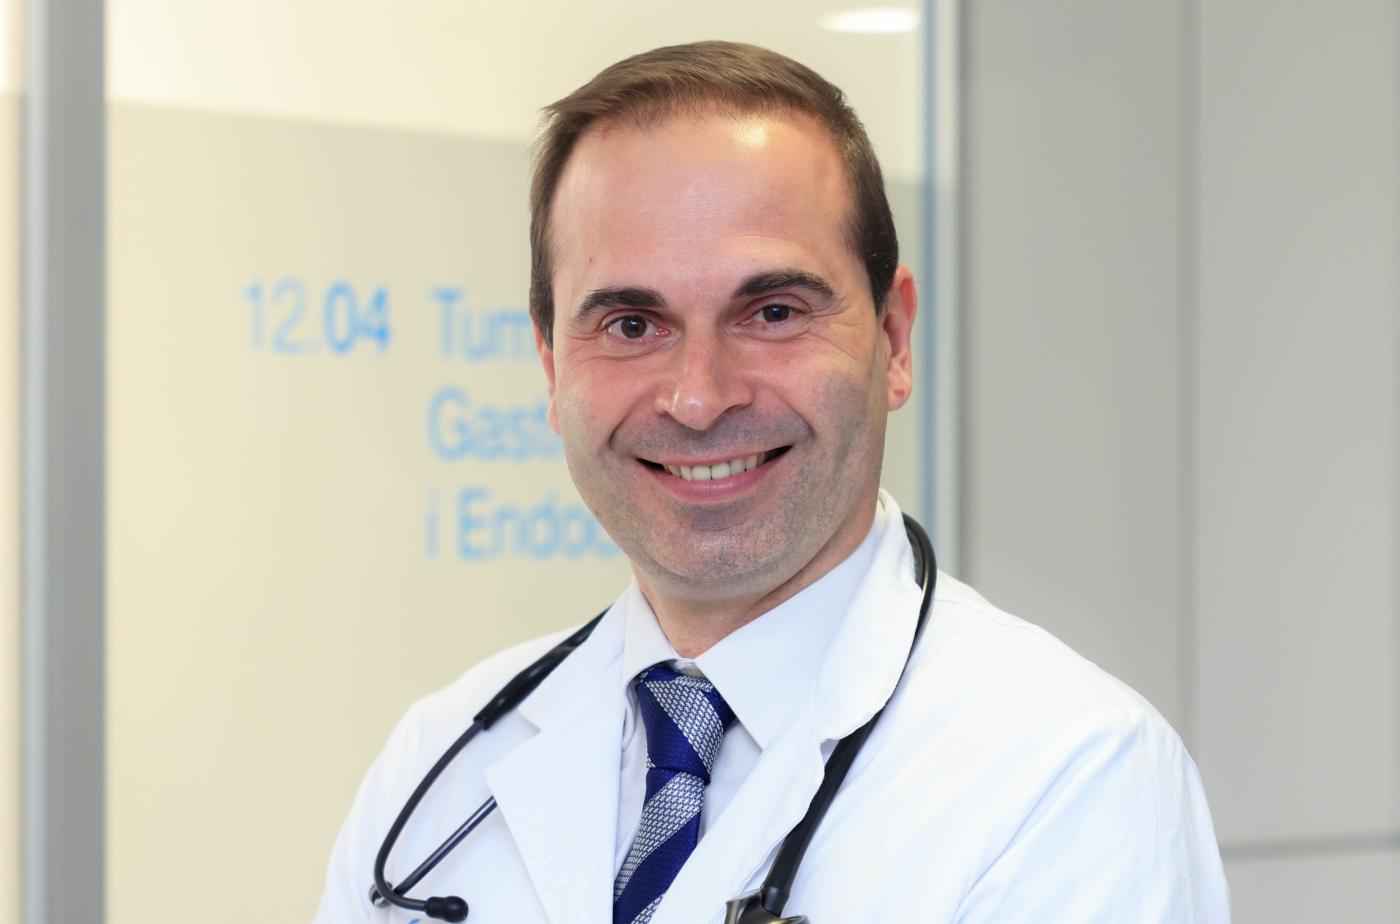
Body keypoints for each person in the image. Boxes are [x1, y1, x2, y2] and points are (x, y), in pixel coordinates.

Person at [316, 41, 1230, 924]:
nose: (698, 398)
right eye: (632, 325)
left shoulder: (1068, 777)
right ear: (552, 366)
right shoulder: (439, 764)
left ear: (894, 340)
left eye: (774, 311)